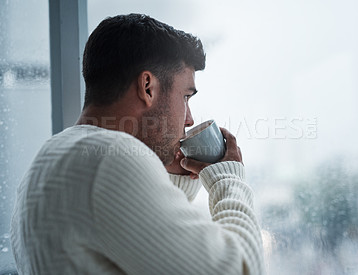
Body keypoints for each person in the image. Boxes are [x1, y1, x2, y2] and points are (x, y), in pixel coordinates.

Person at [10, 13, 267, 274]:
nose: (189, 119)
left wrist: (169, 172)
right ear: (148, 87)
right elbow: (240, 269)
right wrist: (228, 178)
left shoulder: (47, 161)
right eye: (186, 97)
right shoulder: (112, 159)